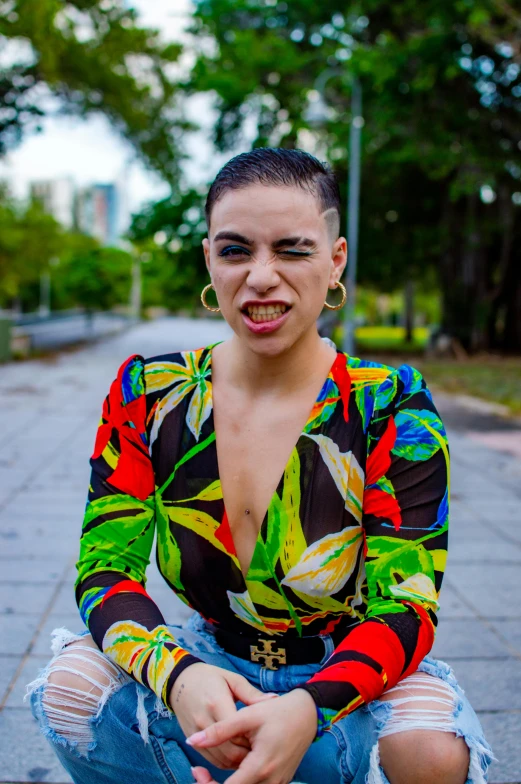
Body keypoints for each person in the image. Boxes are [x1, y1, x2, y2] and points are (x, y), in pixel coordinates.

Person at [28, 148, 493, 784]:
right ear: (209, 260)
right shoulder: (151, 394)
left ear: (336, 261)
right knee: (71, 688)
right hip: (208, 672)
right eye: (236, 250)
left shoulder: (389, 406)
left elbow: (407, 607)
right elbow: (104, 571)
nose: (261, 276)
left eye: (293, 250)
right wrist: (180, 675)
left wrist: (307, 708)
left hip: (344, 681)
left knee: (429, 751)